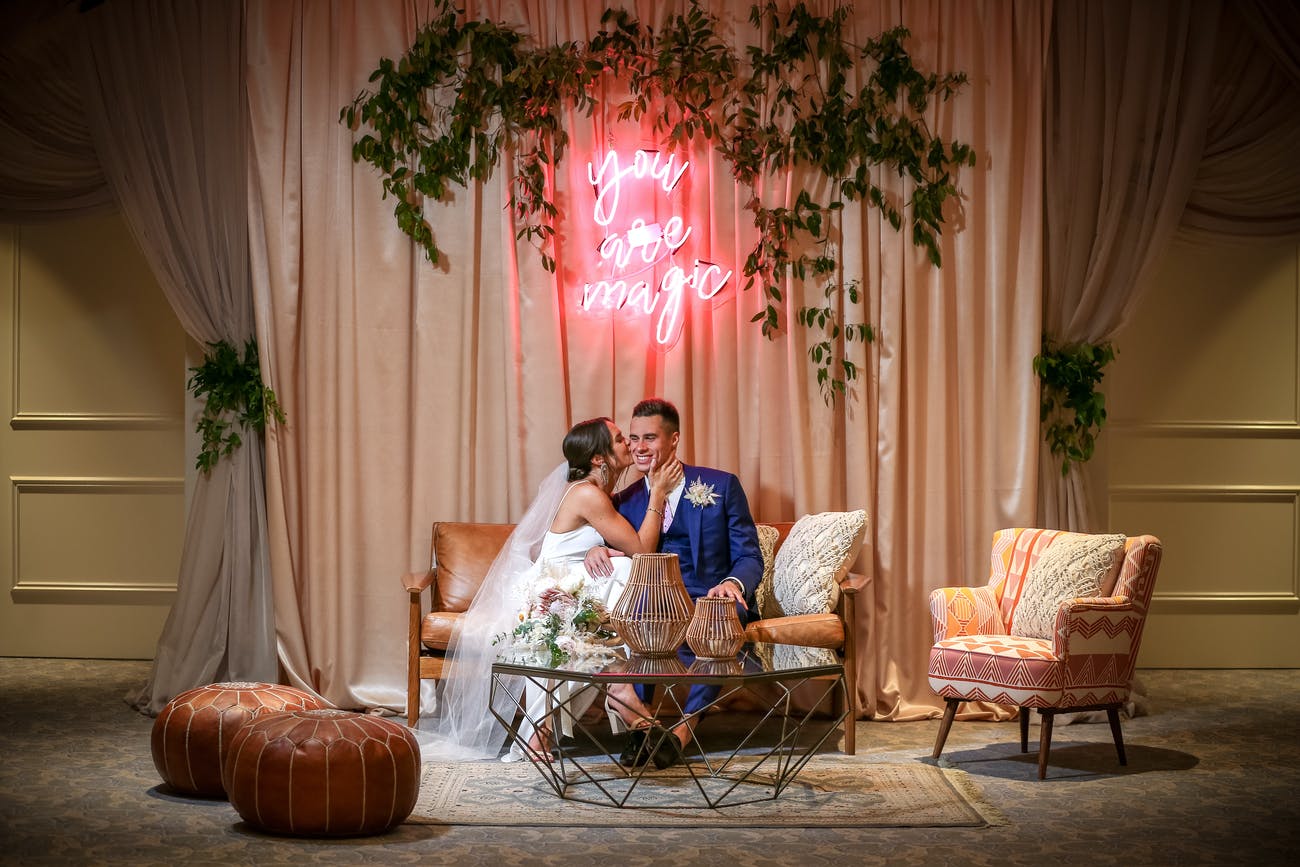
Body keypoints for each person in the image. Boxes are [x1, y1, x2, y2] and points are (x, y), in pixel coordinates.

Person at [422, 416, 682, 762]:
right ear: (598, 458)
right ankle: (613, 694)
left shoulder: (596, 493)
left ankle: (614, 691)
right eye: (621, 439)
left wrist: (597, 549)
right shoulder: (588, 494)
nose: (630, 445)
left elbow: (593, 544)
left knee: (616, 574)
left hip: (565, 586)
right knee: (626, 571)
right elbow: (643, 551)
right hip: (548, 592)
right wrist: (659, 494)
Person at [584, 398, 763, 768]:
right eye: (633, 438)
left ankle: (682, 730)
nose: (638, 447)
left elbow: (749, 555)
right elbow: (603, 541)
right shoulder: (623, 500)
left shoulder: (720, 485)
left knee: (718, 624)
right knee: (638, 624)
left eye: (650, 437)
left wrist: (732, 584)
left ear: (674, 439)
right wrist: (591, 551)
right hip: (649, 603)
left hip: (709, 599)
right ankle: (645, 728)